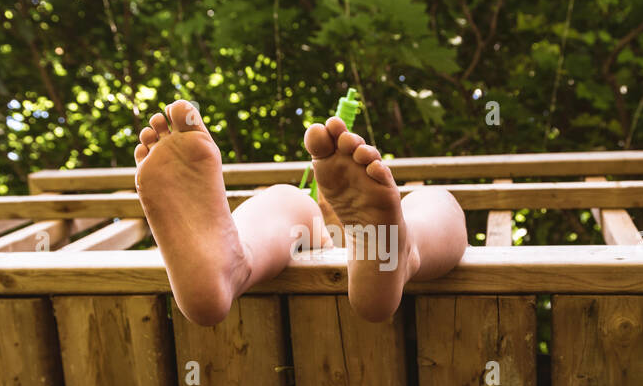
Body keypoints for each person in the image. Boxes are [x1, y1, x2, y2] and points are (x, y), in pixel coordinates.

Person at [134, 99, 467, 325]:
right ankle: (401, 253)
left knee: (286, 201)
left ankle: (239, 262)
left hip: (330, 244)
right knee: (435, 200)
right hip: (324, 243)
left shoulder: (317, 224)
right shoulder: (316, 223)